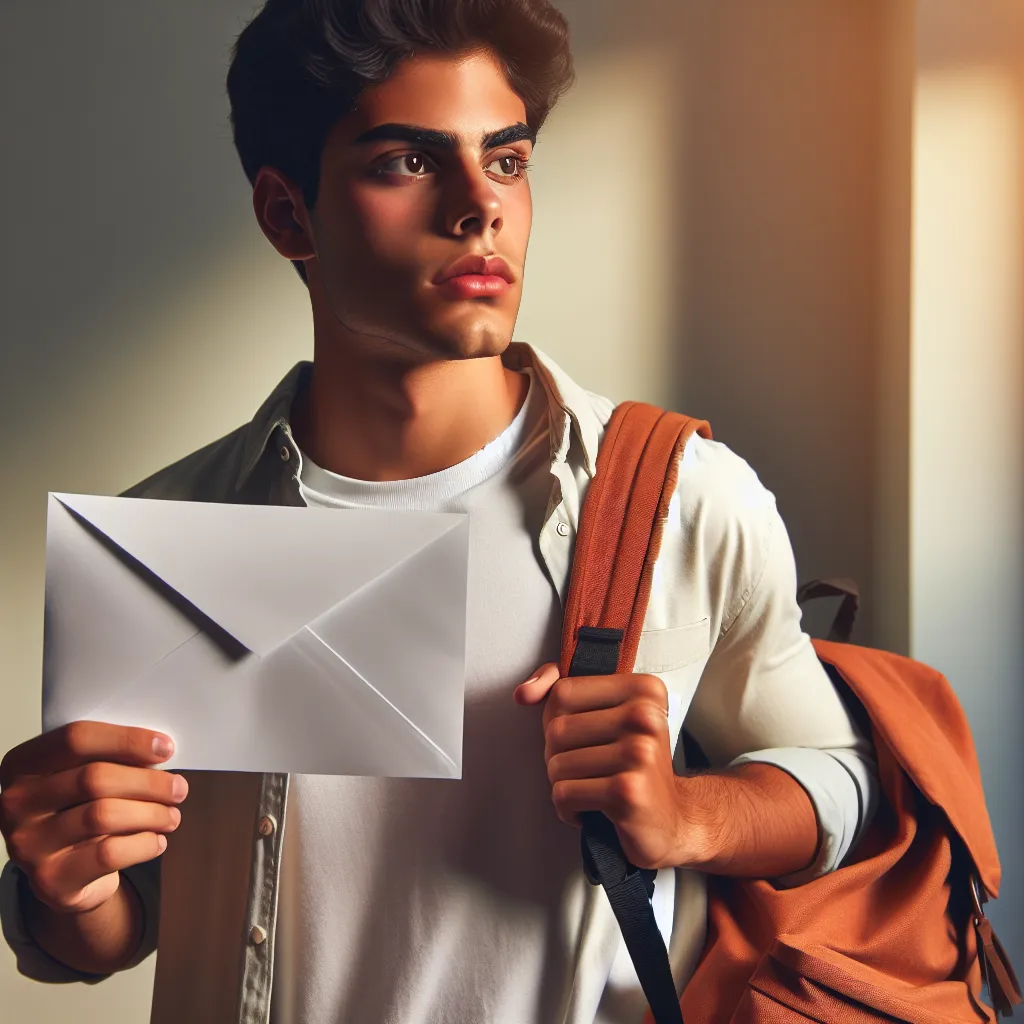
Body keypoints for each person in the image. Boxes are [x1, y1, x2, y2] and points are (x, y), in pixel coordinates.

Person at [0, 2, 880, 1022]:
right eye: (408, 163)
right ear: (288, 215)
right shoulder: (166, 534)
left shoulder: (678, 497)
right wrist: (68, 882)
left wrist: (690, 813)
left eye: (506, 161)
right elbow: (113, 927)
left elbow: (843, 783)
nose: (478, 208)